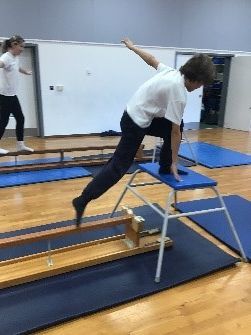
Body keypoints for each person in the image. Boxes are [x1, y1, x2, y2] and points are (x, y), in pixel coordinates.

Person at [72, 37, 215, 226]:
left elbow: (151, 59)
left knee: (177, 123)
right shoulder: (179, 93)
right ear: (195, 79)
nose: (199, 87)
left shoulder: (172, 73)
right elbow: (174, 133)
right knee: (119, 167)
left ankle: (163, 165)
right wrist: (174, 162)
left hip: (137, 115)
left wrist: (133, 48)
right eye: (201, 83)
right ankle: (82, 199)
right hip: (135, 122)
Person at [0, 35, 34, 154]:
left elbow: (16, 67)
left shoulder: (15, 57)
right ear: (14, 45)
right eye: (21, 46)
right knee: (3, 122)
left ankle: (20, 145)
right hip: (4, 97)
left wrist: (25, 71)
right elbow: (2, 63)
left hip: (12, 95)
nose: (22, 49)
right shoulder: (6, 57)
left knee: (20, 118)